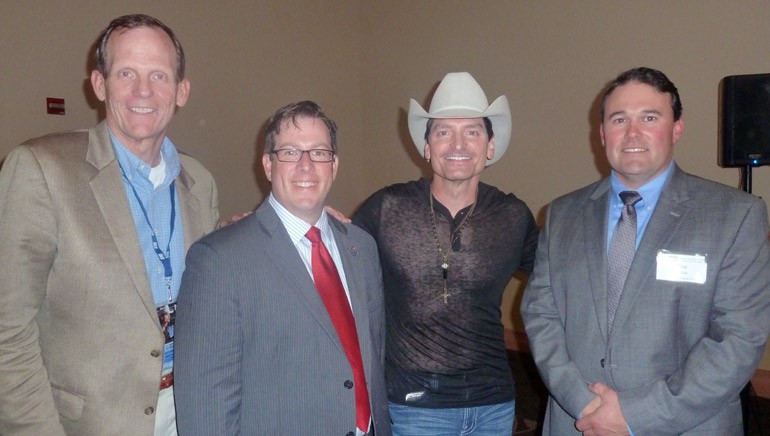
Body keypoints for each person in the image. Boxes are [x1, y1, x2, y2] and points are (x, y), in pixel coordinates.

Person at [0, 14, 219, 436]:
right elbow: (7, 331)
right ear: (99, 84)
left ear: (181, 91)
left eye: (159, 75)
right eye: (126, 73)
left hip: (189, 411)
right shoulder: (40, 170)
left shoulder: (200, 182)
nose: (143, 90)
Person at [521, 67, 770, 435]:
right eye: (619, 119)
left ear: (676, 128)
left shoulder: (734, 216)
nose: (633, 132)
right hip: (579, 422)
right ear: (603, 132)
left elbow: (737, 339)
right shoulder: (562, 214)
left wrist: (634, 415)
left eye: (649, 117)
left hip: (684, 425)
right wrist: (585, 404)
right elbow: (541, 316)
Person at [173, 100, 391, 436]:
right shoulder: (219, 260)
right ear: (268, 165)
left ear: (334, 165)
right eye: (290, 152)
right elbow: (206, 405)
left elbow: (372, 363)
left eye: (319, 152)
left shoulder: (361, 247)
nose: (306, 165)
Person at [352, 72, 538, 435]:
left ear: (490, 146)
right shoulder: (387, 208)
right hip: (414, 408)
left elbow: (566, 273)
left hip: (494, 406)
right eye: (442, 132)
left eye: (471, 131)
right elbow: (329, 256)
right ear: (426, 148)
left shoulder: (513, 216)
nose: (458, 143)